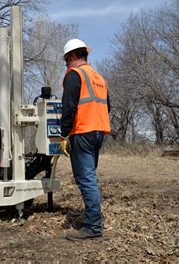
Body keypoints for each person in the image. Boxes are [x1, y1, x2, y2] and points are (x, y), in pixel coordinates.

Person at [59, 38, 111, 240]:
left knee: (86, 179)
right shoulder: (98, 77)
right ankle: (93, 221)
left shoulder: (75, 75)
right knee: (90, 177)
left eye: (66, 60)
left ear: (71, 56)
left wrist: (64, 134)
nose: (66, 64)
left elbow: (69, 107)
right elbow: (108, 107)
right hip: (98, 132)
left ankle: (93, 228)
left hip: (83, 131)